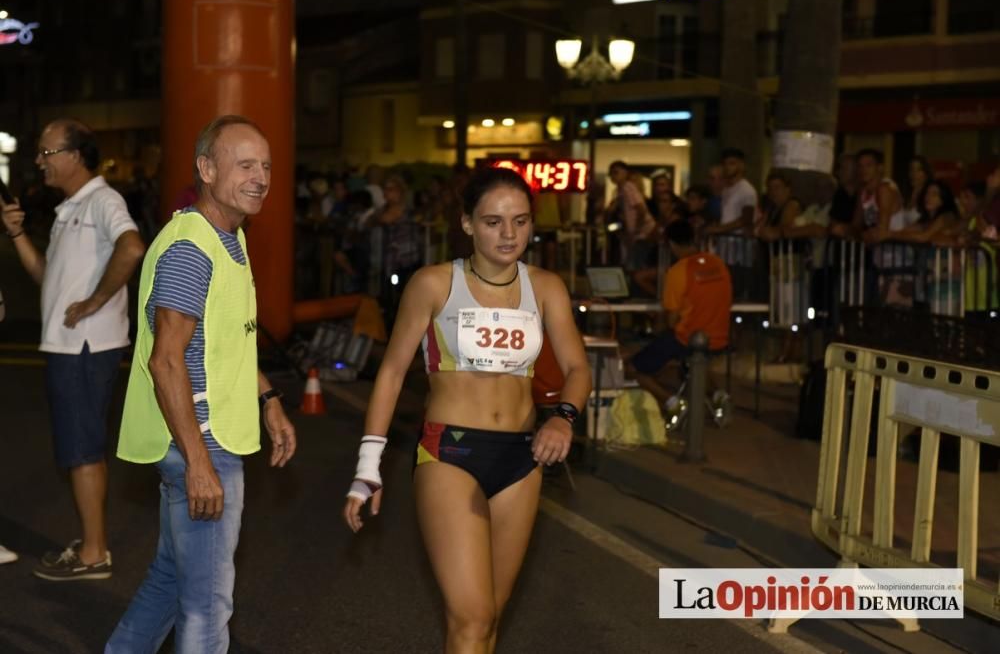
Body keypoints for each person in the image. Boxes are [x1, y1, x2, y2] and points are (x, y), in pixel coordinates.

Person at [342, 166, 590, 653]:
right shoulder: (434, 284)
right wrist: (367, 466)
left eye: (520, 221)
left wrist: (563, 415)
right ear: (467, 224)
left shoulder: (545, 287)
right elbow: (391, 373)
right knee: (472, 615)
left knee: (486, 621)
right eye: (494, 221)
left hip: (522, 459)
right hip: (450, 452)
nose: (509, 233)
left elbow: (578, 368)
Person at [105, 115, 297, 653]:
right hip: (202, 441)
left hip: (199, 438)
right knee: (208, 605)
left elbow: (229, 337)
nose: (260, 177)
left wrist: (269, 399)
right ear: (207, 170)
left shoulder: (225, 237)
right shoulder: (192, 249)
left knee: (171, 579)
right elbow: (166, 361)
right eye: (245, 165)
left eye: (266, 166)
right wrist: (198, 463)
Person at [1, 119, 146, 581]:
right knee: (78, 447)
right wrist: (18, 234)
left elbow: (132, 247)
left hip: (86, 346)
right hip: (68, 346)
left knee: (83, 449)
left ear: (74, 156)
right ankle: (91, 544)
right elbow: (47, 278)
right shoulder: (70, 209)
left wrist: (97, 300)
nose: (40, 161)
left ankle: (94, 554)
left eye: (47, 153)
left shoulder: (103, 200)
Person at [630, 220, 732, 403]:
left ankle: (671, 402)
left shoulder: (678, 271)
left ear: (671, 244)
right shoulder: (719, 264)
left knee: (633, 369)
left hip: (687, 339)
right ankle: (719, 396)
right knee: (694, 366)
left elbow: (670, 322)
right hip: (718, 338)